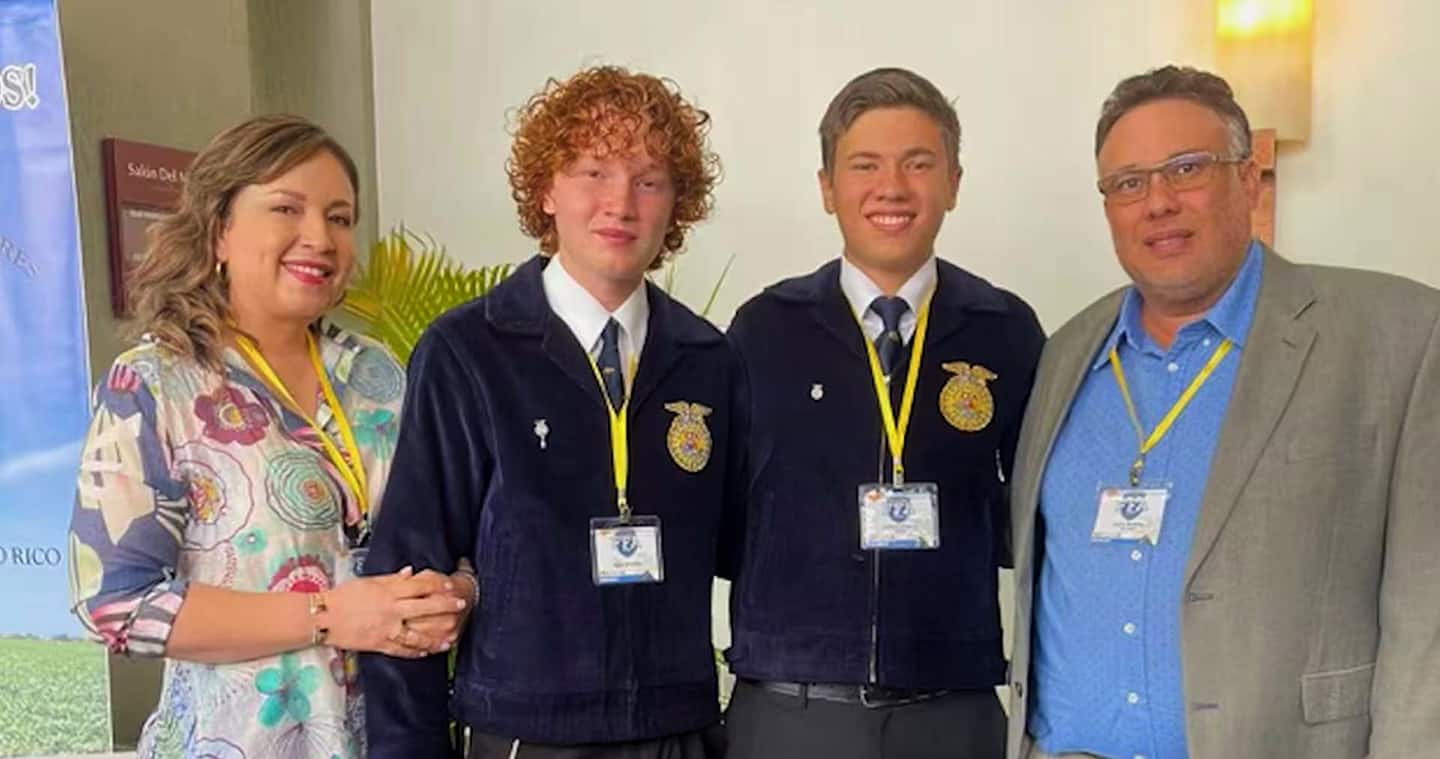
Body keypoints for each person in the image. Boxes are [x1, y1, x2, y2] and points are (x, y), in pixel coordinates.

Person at [1006, 65, 1440, 759]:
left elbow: (1430, 619)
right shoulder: (1064, 355)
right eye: (1128, 183)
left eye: (1186, 168)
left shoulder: (1400, 337)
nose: (1157, 202)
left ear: (1249, 179)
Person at [360, 65, 735, 759]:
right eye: (593, 171)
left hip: (678, 730)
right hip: (525, 733)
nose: (620, 202)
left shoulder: (709, 358)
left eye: (649, 180)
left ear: (676, 205)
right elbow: (408, 581)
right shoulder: (468, 352)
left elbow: (750, 548)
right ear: (545, 190)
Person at [68, 114, 472, 759]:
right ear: (218, 229)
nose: (319, 237)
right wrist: (329, 615)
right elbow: (114, 603)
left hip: (396, 738)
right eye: (287, 208)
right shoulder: (154, 384)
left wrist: (456, 593)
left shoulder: (377, 374)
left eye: (339, 218)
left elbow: (458, 538)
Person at [722, 67, 1045, 759]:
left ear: (954, 181)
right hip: (791, 709)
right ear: (827, 187)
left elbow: (1033, 514)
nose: (892, 188)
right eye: (864, 165)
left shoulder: (1005, 329)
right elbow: (719, 517)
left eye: (918, 164)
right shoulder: (764, 329)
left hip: (951, 711)